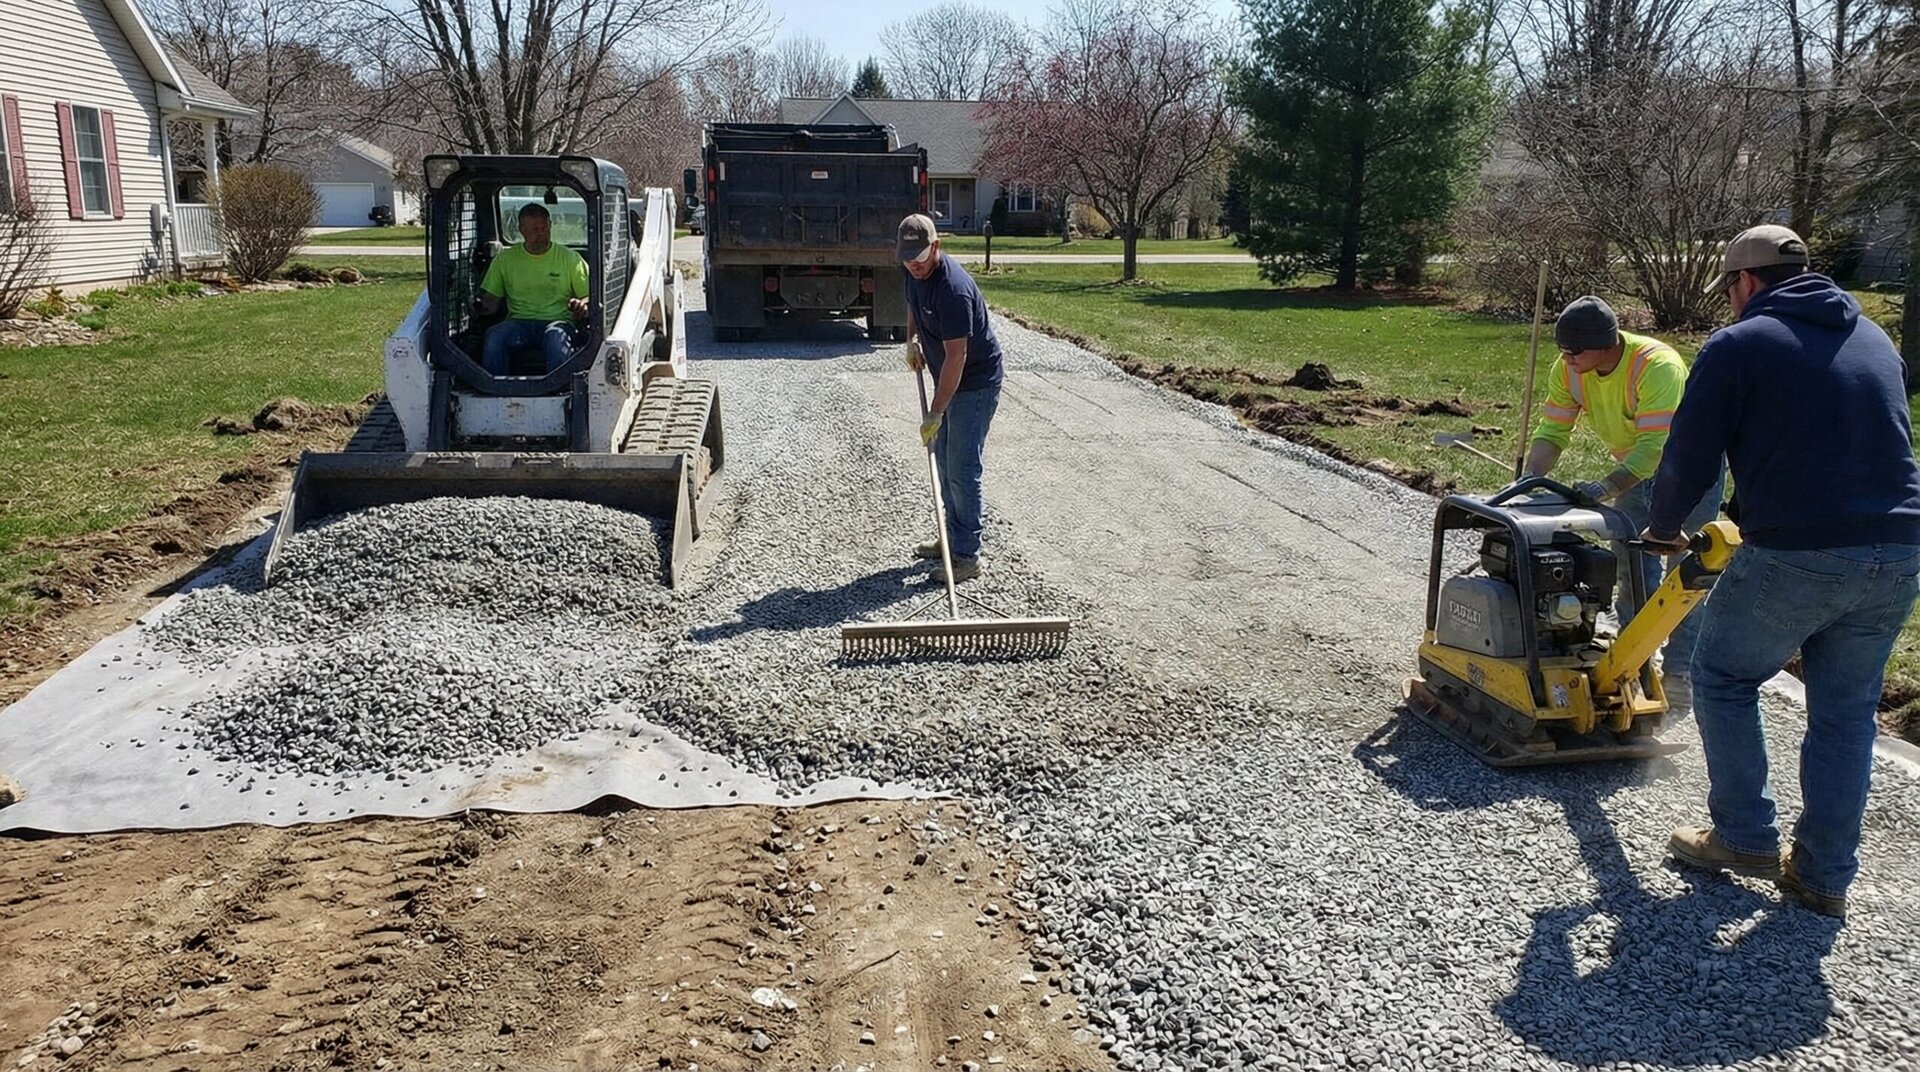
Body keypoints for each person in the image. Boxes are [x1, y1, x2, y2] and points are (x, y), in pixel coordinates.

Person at [1644, 224, 1920, 920]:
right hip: (1900, 547)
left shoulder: (1740, 343)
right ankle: (1824, 876)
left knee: (1725, 676)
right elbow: (1833, 438)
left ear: (1744, 283)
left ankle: (1745, 837)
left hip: (1803, 550)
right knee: (1845, 715)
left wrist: (1664, 528)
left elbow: (1691, 453)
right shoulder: (1873, 340)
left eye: (1731, 290)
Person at [1523, 295, 1724, 679]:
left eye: (1575, 350)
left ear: (1607, 342)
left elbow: (1656, 448)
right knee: (1632, 563)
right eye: (1562, 349)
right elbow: (1553, 430)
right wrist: (1529, 481)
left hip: (1692, 471)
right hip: (1634, 468)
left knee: (1687, 572)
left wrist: (1603, 488)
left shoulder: (1656, 366)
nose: (1567, 358)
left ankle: (1682, 672)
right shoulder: (1568, 369)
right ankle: (1634, 659)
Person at [897, 212, 1004, 584]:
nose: (914, 264)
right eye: (908, 257)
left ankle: (967, 556)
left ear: (936, 247)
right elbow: (912, 301)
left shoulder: (953, 291)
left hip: (974, 382)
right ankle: (949, 538)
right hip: (948, 375)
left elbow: (956, 357)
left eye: (921, 257)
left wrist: (936, 413)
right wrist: (910, 339)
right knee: (941, 463)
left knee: (961, 469)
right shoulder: (913, 271)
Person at [473, 202, 589, 376]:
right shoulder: (505, 260)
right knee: (495, 336)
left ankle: (559, 391)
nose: (541, 234)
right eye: (535, 230)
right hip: (519, 323)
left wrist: (581, 305)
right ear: (521, 230)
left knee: (556, 338)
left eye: (544, 228)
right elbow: (491, 304)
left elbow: (589, 297)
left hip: (559, 322)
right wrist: (478, 305)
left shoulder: (571, 259)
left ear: (550, 226)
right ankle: (496, 390)